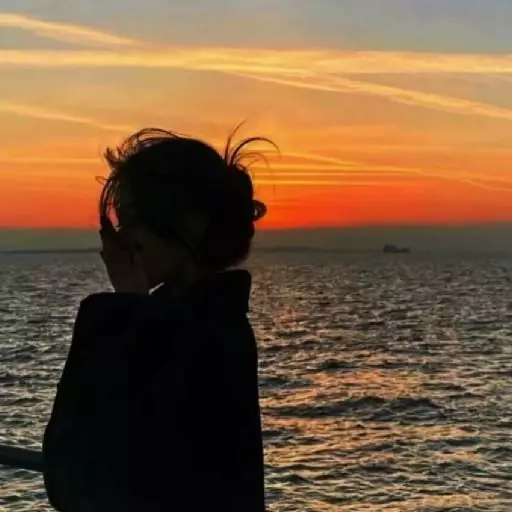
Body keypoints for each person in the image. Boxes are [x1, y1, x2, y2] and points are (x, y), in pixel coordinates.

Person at [42, 128, 273, 511]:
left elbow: (76, 476)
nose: (119, 239)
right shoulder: (205, 324)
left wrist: (126, 309)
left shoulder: (196, 337)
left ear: (191, 225)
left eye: (131, 220)